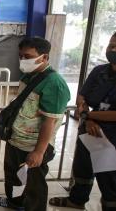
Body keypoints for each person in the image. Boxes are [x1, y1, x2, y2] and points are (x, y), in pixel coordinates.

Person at [0, 37, 70, 211]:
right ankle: (14, 203)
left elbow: (50, 121)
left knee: (34, 185)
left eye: (28, 56)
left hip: (33, 145)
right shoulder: (29, 75)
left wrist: (39, 152)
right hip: (16, 139)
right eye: (20, 56)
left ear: (44, 57)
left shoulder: (55, 84)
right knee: (12, 175)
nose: (22, 60)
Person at [49, 33, 116, 211]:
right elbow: (82, 96)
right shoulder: (100, 71)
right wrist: (86, 116)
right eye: (111, 46)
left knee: (109, 176)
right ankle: (76, 200)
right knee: (83, 168)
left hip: (112, 137)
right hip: (89, 130)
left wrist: (89, 115)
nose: (113, 50)